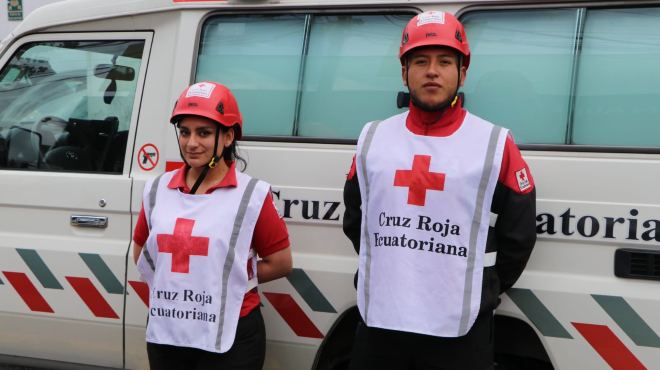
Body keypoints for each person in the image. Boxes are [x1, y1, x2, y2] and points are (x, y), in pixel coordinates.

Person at [342, 11, 536, 370]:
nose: (432, 71)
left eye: (445, 61)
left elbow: (519, 237)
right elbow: (357, 222)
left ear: (463, 71)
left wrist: (481, 289)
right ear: (404, 72)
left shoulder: (494, 144)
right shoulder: (373, 139)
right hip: (382, 323)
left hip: (460, 330)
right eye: (420, 61)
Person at [132, 81, 292, 370]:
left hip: (233, 336)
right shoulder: (157, 189)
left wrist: (225, 280)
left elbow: (281, 262)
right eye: (184, 132)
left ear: (228, 136)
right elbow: (141, 253)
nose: (191, 143)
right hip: (168, 333)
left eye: (203, 133)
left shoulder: (251, 195)